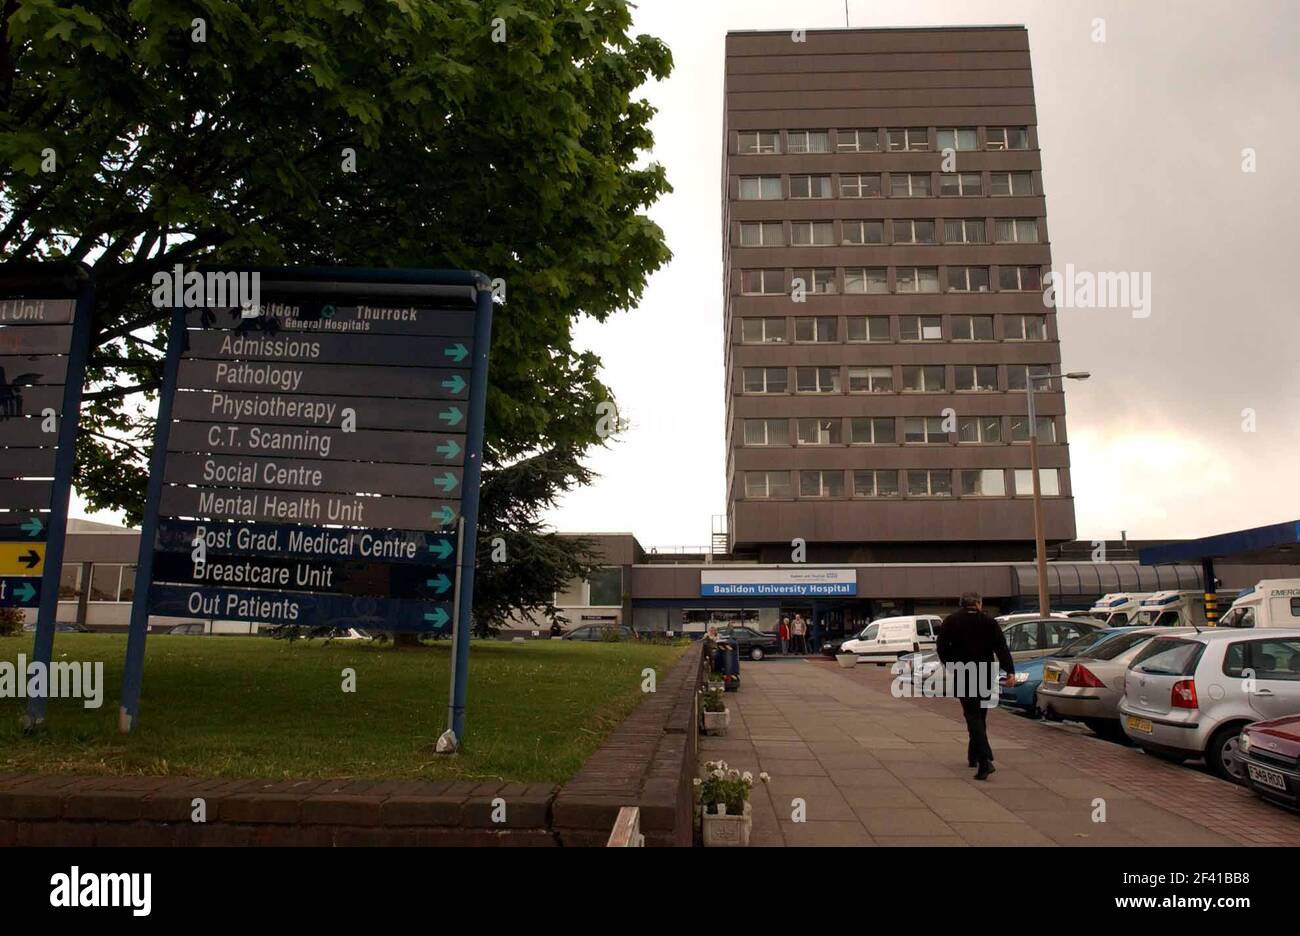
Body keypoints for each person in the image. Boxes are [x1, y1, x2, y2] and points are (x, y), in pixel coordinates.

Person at [936, 592, 1015, 781]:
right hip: (986, 673)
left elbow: (941, 647)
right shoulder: (989, 622)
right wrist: (1009, 671)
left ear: (962, 604)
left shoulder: (951, 621)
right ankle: (974, 756)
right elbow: (1001, 647)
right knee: (980, 715)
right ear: (978, 604)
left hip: (964, 673)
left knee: (972, 716)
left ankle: (984, 759)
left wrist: (951, 665)